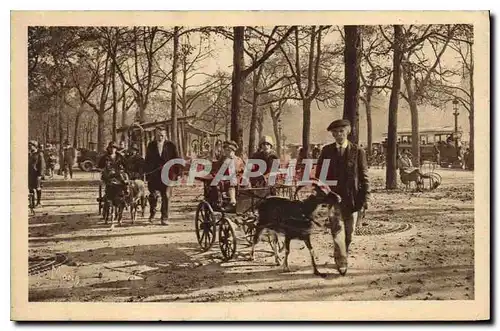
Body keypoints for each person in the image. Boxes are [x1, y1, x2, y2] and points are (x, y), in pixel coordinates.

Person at [315, 119, 370, 276]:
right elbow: (320, 175)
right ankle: (341, 261)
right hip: (334, 199)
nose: (339, 135)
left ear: (347, 132)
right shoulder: (326, 151)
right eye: (335, 132)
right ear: (332, 134)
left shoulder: (358, 152)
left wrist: (366, 198)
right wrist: (323, 194)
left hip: (353, 199)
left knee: (349, 233)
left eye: (341, 131)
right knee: (337, 230)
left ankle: (341, 252)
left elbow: (364, 176)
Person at [144, 127, 182, 225]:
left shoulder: (171, 145)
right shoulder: (151, 145)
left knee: (166, 195)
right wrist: (147, 174)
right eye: (158, 135)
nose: (160, 137)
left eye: (162, 135)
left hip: (168, 174)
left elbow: (176, 159)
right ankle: (152, 212)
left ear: (165, 135)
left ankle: (164, 217)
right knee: (153, 195)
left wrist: (178, 173)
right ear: (155, 135)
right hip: (154, 175)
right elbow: (147, 160)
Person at [210, 140, 245, 210]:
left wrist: (240, 173)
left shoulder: (238, 160)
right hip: (224, 180)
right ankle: (232, 201)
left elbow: (243, 170)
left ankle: (242, 202)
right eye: (226, 150)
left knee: (243, 183)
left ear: (234, 151)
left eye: (230, 151)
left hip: (237, 179)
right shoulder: (222, 160)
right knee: (230, 182)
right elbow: (216, 170)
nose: (228, 152)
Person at [28, 141, 46, 207]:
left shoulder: (39, 154)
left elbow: (42, 165)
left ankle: (38, 202)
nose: (29, 147)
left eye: (31, 145)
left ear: (35, 146)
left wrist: (40, 175)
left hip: (36, 174)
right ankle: (31, 203)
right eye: (29, 146)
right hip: (29, 174)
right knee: (30, 188)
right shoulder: (29, 154)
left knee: (37, 188)